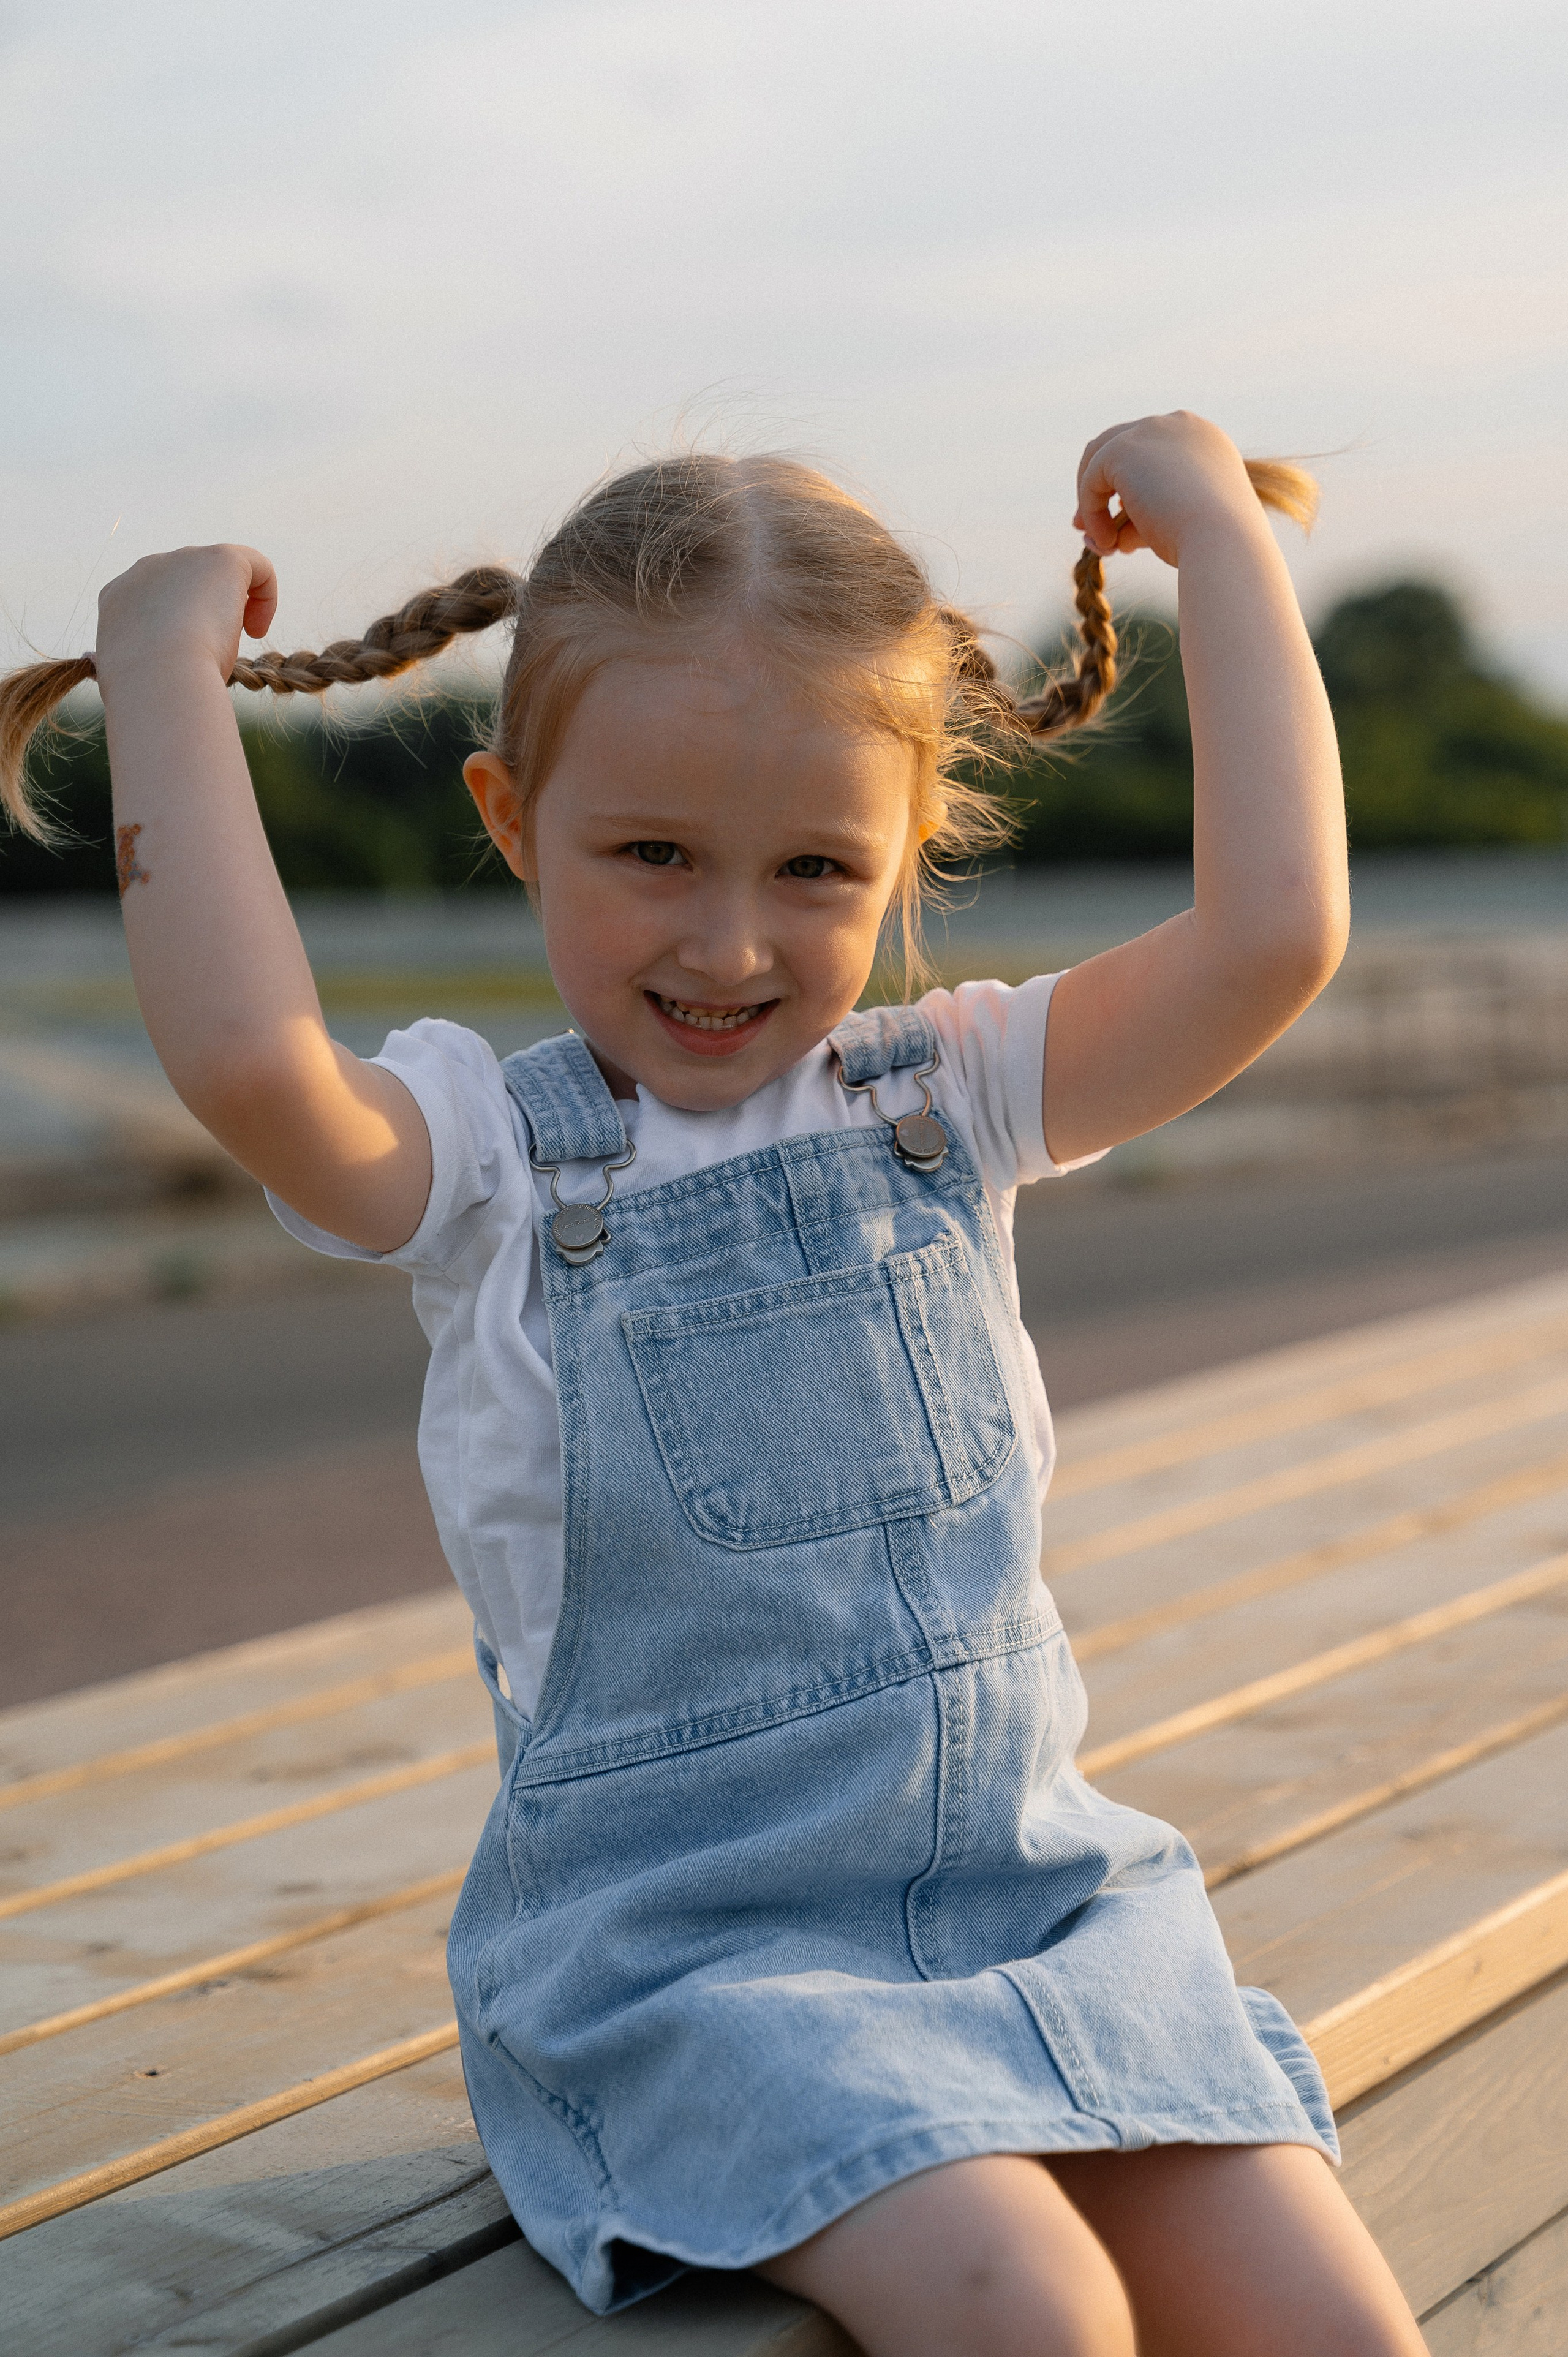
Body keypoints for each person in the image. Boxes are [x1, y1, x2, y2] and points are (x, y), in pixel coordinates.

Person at [0, 413, 1427, 2355]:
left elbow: (1277, 934)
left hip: (1033, 1898)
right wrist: (163, 675)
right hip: (688, 1970)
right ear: (510, 823)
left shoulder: (957, 1094)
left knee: (1326, 2316)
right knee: (1031, 2306)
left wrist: (1220, 539)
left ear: (912, 845)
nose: (730, 939)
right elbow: (257, 1065)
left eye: (818, 867)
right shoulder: (490, 1166)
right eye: (652, 853)